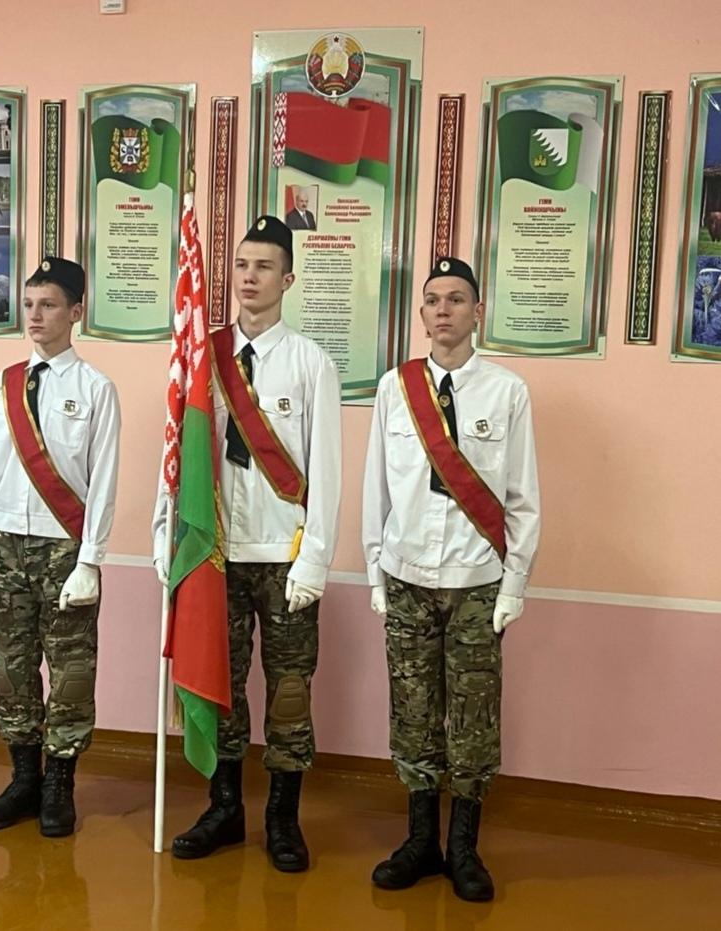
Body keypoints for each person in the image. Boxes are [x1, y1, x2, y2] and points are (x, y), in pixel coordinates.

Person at [153, 216, 342, 872]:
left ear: (287, 279)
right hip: (215, 554)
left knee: (288, 693)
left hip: (284, 557)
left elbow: (327, 471)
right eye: (241, 264)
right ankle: (225, 807)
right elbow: (176, 454)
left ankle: (282, 819)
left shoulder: (311, 362)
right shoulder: (202, 356)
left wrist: (316, 558)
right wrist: (164, 533)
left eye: (264, 266)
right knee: (220, 684)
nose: (249, 277)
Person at [362, 257, 540, 902]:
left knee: (472, 717)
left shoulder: (507, 391)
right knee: (412, 711)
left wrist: (514, 584)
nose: (443, 310)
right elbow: (377, 486)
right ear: (422, 314)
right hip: (406, 575)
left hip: (476, 582)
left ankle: (464, 847)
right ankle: (420, 842)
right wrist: (375, 570)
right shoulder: (395, 387)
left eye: (456, 299)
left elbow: (522, 499)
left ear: (477, 311)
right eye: (433, 300)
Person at [0, 256, 121, 837]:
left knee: (71, 671)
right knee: (10, 669)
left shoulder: (96, 389)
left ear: (76, 312)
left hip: (64, 551)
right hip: (5, 546)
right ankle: (24, 779)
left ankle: (60, 785)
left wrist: (91, 560)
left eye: (49, 304)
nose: (35, 315)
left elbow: (103, 482)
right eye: (29, 304)